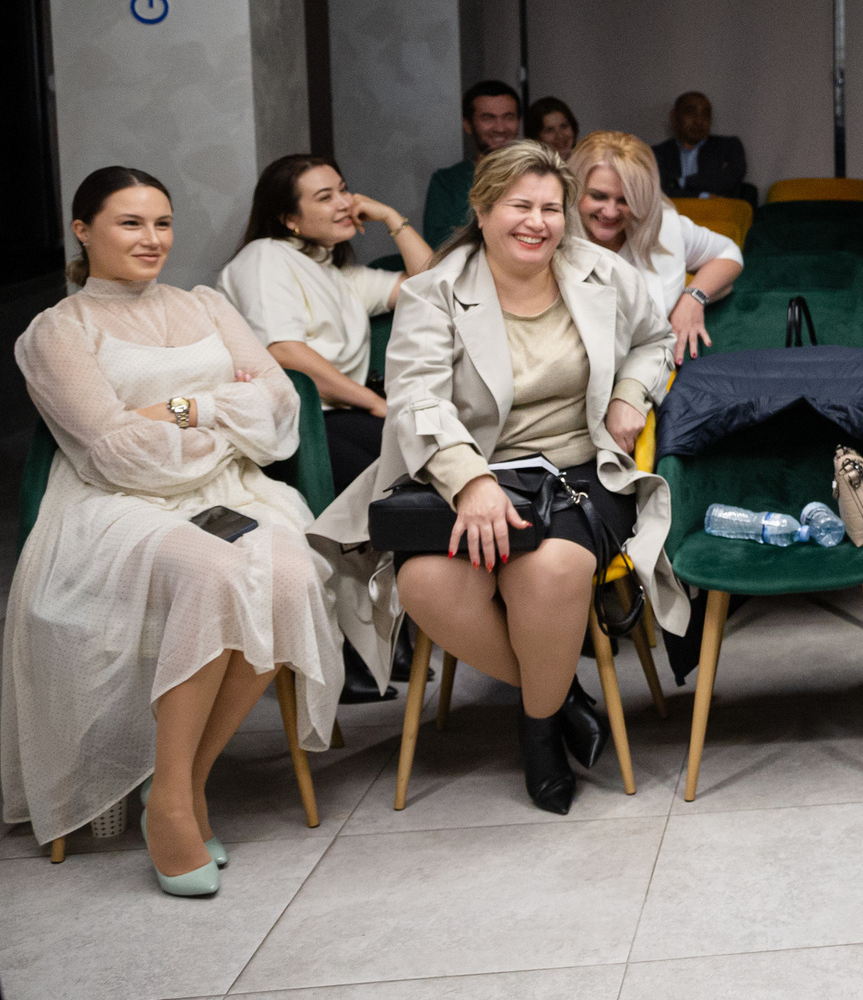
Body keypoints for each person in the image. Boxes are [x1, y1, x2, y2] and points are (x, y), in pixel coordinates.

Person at [6, 167, 356, 894]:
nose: (152, 238)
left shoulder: (205, 304)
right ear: (83, 230)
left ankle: (182, 782)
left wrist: (180, 413)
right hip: (113, 507)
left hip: (226, 488)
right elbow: (110, 450)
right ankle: (170, 805)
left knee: (289, 573)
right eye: (130, 222)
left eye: (162, 222)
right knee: (216, 570)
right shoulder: (57, 330)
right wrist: (221, 410)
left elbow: (280, 410)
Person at [315, 141, 681, 816]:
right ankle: (560, 695)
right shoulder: (435, 292)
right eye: (520, 205)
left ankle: (538, 730)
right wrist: (471, 482)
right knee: (425, 582)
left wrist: (631, 394)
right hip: (469, 472)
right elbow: (418, 400)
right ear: (483, 209)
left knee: (548, 572)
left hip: (577, 470)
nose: (538, 221)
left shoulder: (601, 272)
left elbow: (655, 340)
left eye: (550, 207)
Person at [219, 153, 436, 493]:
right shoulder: (266, 256)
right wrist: (376, 403)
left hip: (346, 413)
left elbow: (434, 288)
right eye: (325, 197)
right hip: (300, 419)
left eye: (344, 190)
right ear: (289, 218)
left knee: (436, 458)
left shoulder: (340, 275)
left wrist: (392, 218)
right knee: (408, 480)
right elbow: (285, 352)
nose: (345, 204)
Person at [568, 131, 743, 365]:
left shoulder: (665, 225)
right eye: (598, 196)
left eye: (625, 200)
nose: (610, 212)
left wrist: (694, 297)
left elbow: (729, 254)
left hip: (649, 375)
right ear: (575, 189)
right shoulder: (551, 235)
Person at [422, 80, 522, 247]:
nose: (500, 127)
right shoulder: (447, 182)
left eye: (508, 117)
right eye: (488, 118)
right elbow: (438, 245)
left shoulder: (536, 174)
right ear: (468, 125)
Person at [654, 91, 751, 203]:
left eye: (706, 114)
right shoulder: (656, 153)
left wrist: (679, 182)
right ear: (674, 117)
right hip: (672, 215)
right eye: (690, 112)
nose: (699, 121)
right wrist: (702, 196)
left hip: (717, 215)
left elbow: (727, 183)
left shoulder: (729, 146)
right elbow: (658, 193)